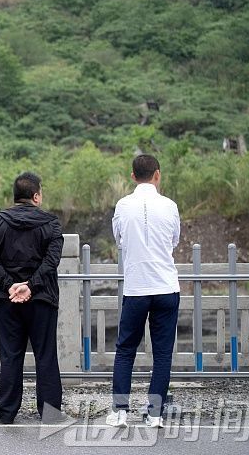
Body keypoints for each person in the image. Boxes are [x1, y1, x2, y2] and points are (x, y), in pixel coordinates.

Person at [0, 171, 64, 424]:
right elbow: (52, 261)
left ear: (15, 196)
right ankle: (50, 414)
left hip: (8, 300)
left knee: (11, 354)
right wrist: (31, 285)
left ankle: (6, 411)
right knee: (46, 355)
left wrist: (10, 286)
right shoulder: (51, 224)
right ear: (36, 196)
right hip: (41, 299)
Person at [107, 154, 181, 429]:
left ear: (132, 176)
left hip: (137, 287)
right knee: (162, 353)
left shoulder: (123, 205)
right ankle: (155, 414)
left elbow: (119, 240)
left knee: (126, 349)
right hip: (166, 286)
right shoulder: (170, 205)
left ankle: (120, 411)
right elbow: (174, 240)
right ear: (158, 175)